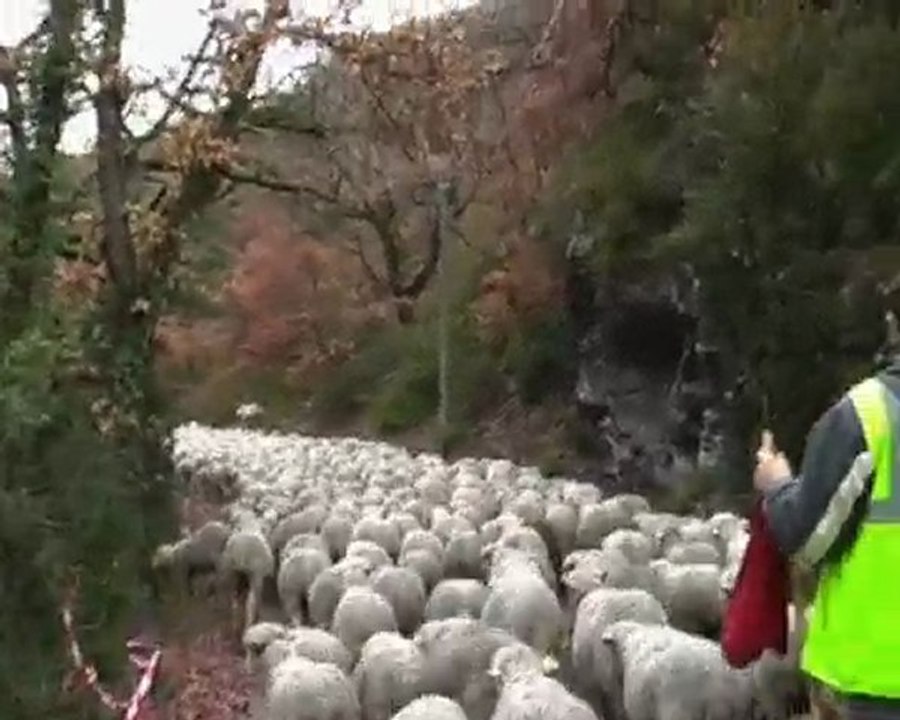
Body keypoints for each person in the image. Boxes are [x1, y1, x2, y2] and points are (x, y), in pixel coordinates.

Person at [754, 314, 900, 720]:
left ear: (893, 324)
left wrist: (777, 486)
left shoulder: (869, 414)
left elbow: (807, 538)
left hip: (874, 680)